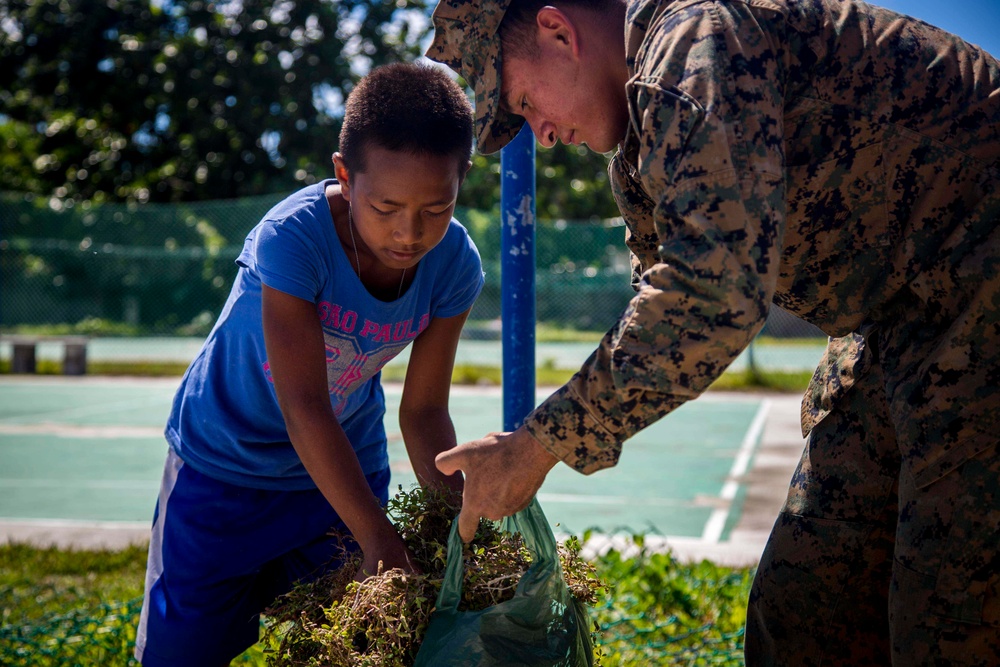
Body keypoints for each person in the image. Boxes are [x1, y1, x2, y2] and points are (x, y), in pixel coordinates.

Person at [425, 0, 1000, 663]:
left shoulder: (693, 42)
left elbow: (712, 292)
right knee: (807, 601)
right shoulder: (638, 155)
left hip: (978, 284)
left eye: (526, 102)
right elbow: (661, 319)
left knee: (950, 617)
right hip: (901, 319)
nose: (543, 134)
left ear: (558, 30)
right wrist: (539, 441)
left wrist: (539, 443)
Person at [133, 62, 483, 667]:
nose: (408, 232)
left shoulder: (454, 265)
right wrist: (378, 535)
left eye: (435, 209)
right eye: (386, 206)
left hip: (343, 473)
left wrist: (462, 526)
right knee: (180, 655)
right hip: (222, 470)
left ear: (461, 183)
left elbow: (425, 411)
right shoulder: (293, 238)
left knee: (366, 644)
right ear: (345, 177)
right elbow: (305, 406)